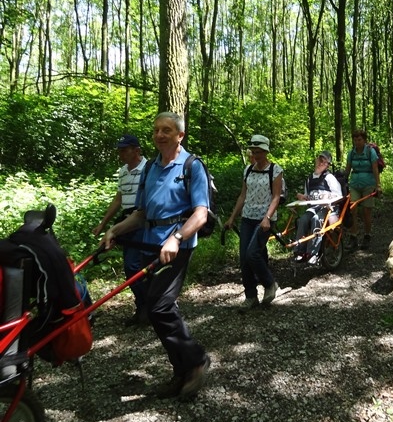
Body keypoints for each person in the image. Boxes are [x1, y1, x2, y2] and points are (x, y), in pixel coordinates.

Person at [101, 112, 210, 399]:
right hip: (151, 246)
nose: (160, 135)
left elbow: (200, 214)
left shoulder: (191, 165)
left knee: (159, 306)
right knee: (156, 309)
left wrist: (176, 238)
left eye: (167, 130)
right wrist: (115, 229)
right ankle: (182, 371)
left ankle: (196, 359)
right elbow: (140, 214)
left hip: (178, 246)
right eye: (156, 131)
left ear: (179, 136)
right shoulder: (150, 169)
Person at [92, 134, 148, 327]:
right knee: (132, 266)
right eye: (120, 150)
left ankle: (146, 308)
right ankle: (144, 307)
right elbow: (119, 199)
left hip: (143, 221)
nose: (121, 154)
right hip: (126, 222)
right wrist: (103, 223)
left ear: (137, 150)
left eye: (125, 150)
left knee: (134, 266)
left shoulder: (148, 169)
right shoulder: (123, 171)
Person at [224, 135, 281, 312]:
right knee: (244, 258)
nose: (256, 155)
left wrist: (267, 218)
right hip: (247, 218)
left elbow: (276, 196)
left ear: (266, 151)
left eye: (259, 151)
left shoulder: (275, 170)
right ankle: (250, 296)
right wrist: (232, 217)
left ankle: (270, 283)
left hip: (265, 219)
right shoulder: (248, 170)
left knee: (252, 254)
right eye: (254, 151)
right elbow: (243, 195)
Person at [293, 151, 342, 264]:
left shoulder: (329, 178)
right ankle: (299, 251)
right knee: (303, 220)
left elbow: (339, 195)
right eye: (320, 160)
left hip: (328, 208)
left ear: (328, 165)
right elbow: (308, 197)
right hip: (313, 207)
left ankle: (313, 253)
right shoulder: (309, 179)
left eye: (324, 162)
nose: (321, 163)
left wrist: (327, 196)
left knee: (316, 220)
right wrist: (302, 197)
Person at [344, 129, 382, 251]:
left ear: (364, 140)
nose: (357, 142)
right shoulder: (351, 153)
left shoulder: (370, 152)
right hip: (354, 184)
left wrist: (378, 185)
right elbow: (347, 170)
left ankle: (367, 235)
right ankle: (353, 237)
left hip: (368, 184)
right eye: (355, 140)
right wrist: (341, 182)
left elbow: (375, 169)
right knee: (352, 210)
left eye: (359, 139)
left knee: (366, 212)